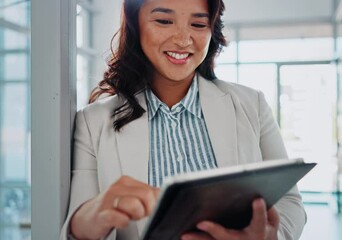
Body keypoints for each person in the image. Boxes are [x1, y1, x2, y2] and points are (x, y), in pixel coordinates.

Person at [60, 0, 307, 239]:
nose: (182, 39)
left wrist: (268, 237)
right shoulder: (93, 122)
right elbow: (78, 225)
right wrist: (94, 216)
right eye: (164, 21)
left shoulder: (252, 104)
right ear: (136, 26)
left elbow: (289, 201)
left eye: (198, 25)